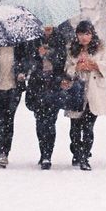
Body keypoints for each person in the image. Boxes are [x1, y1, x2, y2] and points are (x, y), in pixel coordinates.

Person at [65, 20, 106, 170]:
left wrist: (93, 64)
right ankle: (76, 151)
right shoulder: (72, 49)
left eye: (87, 34)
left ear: (92, 34)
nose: (84, 37)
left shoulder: (101, 48)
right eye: (81, 34)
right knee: (74, 127)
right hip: (76, 91)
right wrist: (77, 66)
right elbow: (67, 67)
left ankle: (85, 156)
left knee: (88, 127)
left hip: (93, 91)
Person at [25, 29, 67, 169]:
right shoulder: (33, 38)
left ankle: (47, 155)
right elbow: (27, 60)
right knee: (40, 122)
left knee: (50, 122)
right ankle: (43, 151)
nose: (47, 28)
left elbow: (62, 60)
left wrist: (49, 53)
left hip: (53, 85)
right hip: (37, 86)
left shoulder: (60, 38)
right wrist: (37, 55)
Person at [0, 44, 28, 168]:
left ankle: (6, 150)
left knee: (9, 119)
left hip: (14, 88)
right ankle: (1, 150)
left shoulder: (19, 46)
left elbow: (26, 61)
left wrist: (22, 72)